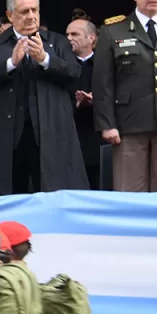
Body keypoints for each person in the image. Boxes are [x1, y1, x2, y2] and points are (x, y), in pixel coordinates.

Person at [0, 0, 87, 196]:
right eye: (24, 11)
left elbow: (74, 74)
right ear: (10, 16)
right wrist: (10, 63)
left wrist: (45, 59)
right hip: (6, 134)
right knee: (7, 192)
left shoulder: (58, 42)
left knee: (52, 190)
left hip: (49, 131)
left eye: (35, 10)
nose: (31, 16)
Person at [93, 0, 157, 192]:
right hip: (128, 124)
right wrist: (107, 124)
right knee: (130, 191)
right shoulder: (113, 30)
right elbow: (103, 82)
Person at [66, 18, 103, 189]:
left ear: (91, 38)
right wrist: (76, 103)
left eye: (75, 34)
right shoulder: (62, 66)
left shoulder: (105, 64)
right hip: (70, 134)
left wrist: (98, 100)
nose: (69, 38)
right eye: (67, 34)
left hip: (98, 135)